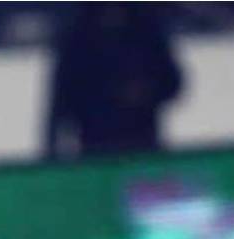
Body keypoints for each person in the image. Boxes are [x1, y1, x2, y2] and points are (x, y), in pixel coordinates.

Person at [44, 3, 184, 159]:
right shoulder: (77, 37)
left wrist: (147, 92)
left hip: (143, 142)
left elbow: (172, 81)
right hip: (95, 147)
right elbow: (60, 97)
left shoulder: (146, 31)